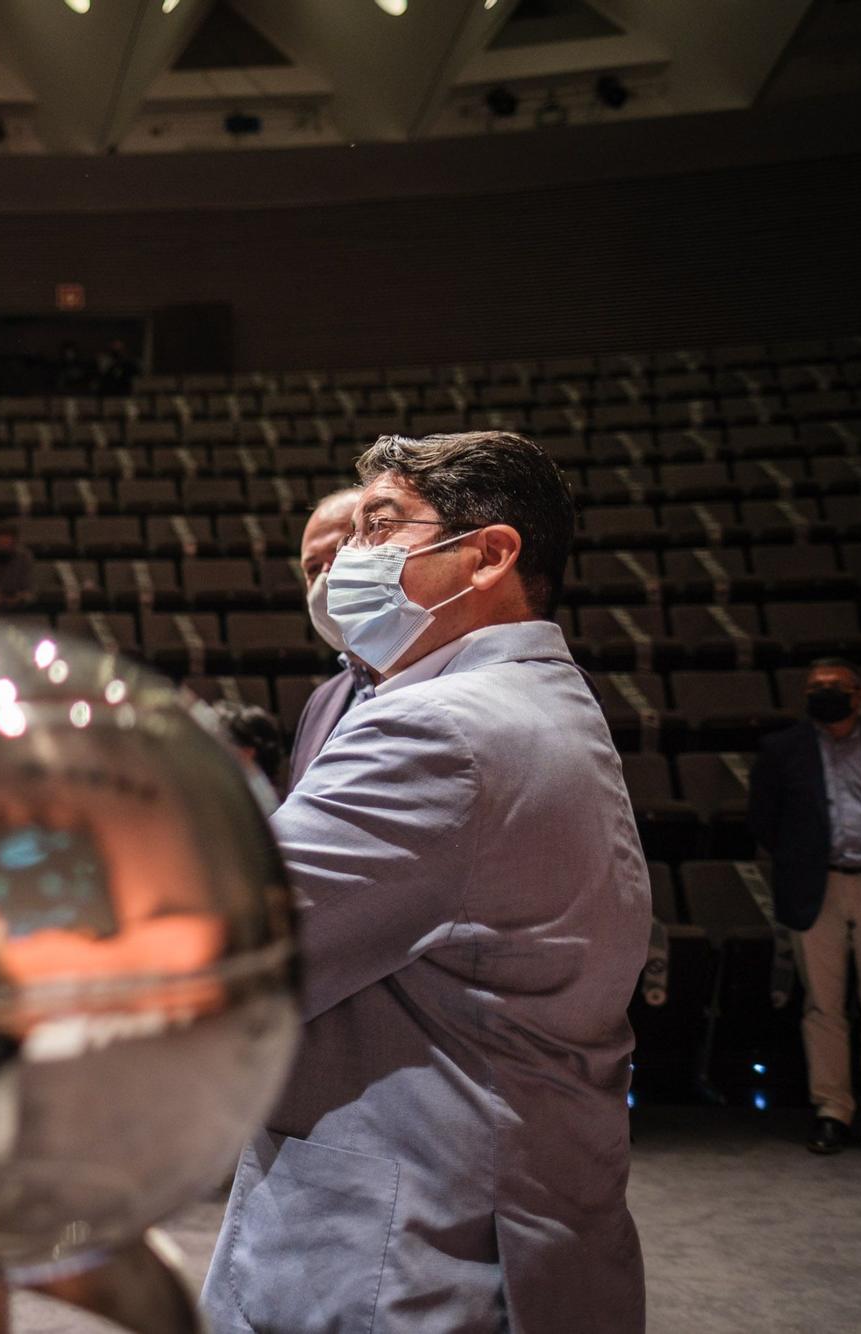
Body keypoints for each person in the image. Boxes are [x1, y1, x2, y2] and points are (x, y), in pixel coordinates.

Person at [202, 431, 650, 1333]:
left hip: (411, 1252)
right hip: (495, 1203)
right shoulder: (530, 698)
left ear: (488, 556)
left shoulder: (441, 730)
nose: (348, 564)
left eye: (380, 528)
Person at [748, 658, 861, 1155]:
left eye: (834, 686)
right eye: (814, 687)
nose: (823, 692)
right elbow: (764, 822)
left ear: (860, 694)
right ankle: (833, 1110)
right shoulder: (783, 749)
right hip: (816, 887)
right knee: (823, 1007)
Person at [289, 486, 372, 792]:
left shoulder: (450, 675)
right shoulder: (321, 703)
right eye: (313, 568)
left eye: (343, 550)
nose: (327, 576)